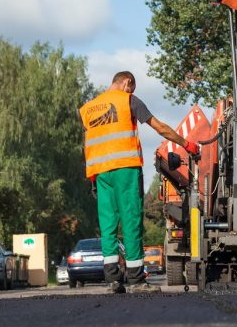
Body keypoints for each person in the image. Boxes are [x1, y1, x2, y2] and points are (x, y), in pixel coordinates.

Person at [79, 71, 199, 293]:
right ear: (127, 83)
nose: (132, 91)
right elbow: (159, 127)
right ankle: (136, 281)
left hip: (100, 173)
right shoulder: (129, 100)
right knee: (131, 220)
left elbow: (90, 142)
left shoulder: (89, 108)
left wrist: (93, 178)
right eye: (132, 87)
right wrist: (186, 143)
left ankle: (113, 281)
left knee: (108, 226)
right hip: (125, 168)